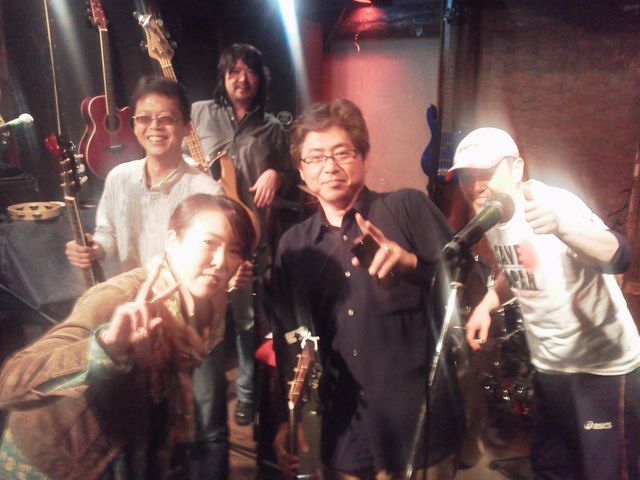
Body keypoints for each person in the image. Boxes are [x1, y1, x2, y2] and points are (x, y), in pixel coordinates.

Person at [271, 99, 464, 479]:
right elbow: (286, 335)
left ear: (364, 157)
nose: (330, 166)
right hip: (343, 428)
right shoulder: (294, 245)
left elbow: (465, 283)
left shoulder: (408, 208)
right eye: (315, 157)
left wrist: (412, 264)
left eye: (342, 153)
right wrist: (286, 415)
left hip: (418, 425)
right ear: (301, 170)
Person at [0, 193, 256, 479]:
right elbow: (11, 380)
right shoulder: (121, 298)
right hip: (51, 463)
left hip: (118, 460)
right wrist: (103, 349)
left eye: (234, 250)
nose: (221, 261)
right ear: (173, 242)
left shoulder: (206, 304)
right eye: (209, 243)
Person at [453, 127, 640, 480]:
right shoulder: (493, 216)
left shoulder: (551, 203)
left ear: (517, 168)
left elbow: (618, 254)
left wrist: (562, 227)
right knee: (551, 468)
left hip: (599, 371)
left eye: (486, 172)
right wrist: (487, 303)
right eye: (466, 176)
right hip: (549, 369)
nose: (475, 185)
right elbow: (517, 268)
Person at [190, 43, 292, 425]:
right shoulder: (198, 114)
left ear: (260, 78)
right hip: (202, 240)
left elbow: (290, 171)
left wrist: (277, 174)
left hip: (248, 241)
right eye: (234, 71)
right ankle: (205, 400)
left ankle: (247, 396)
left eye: (250, 71)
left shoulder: (273, 128)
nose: (242, 78)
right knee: (202, 322)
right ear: (223, 76)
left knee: (246, 323)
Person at [65, 75, 223, 273]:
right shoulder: (119, 178)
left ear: (188, 128)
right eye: (144, 118)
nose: (154, 126)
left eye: (166, 118)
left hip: (181, 292)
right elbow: (108, 233)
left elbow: (216, 256)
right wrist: (93, 249)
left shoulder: (208, 193)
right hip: (130, 291)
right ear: (134, 125)